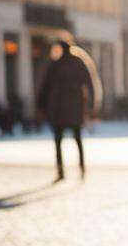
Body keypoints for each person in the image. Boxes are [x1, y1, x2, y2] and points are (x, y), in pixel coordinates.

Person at [36, 41, 97, 181]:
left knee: (59, 141)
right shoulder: (78, 63)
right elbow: (91, 85)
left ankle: (61, 171)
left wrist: (41, 106)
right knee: (77, 140)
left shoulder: (55, 65)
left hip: (59, 110)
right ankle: (81, 168)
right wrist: (93, 106)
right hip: (75, 108)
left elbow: (44, 88)